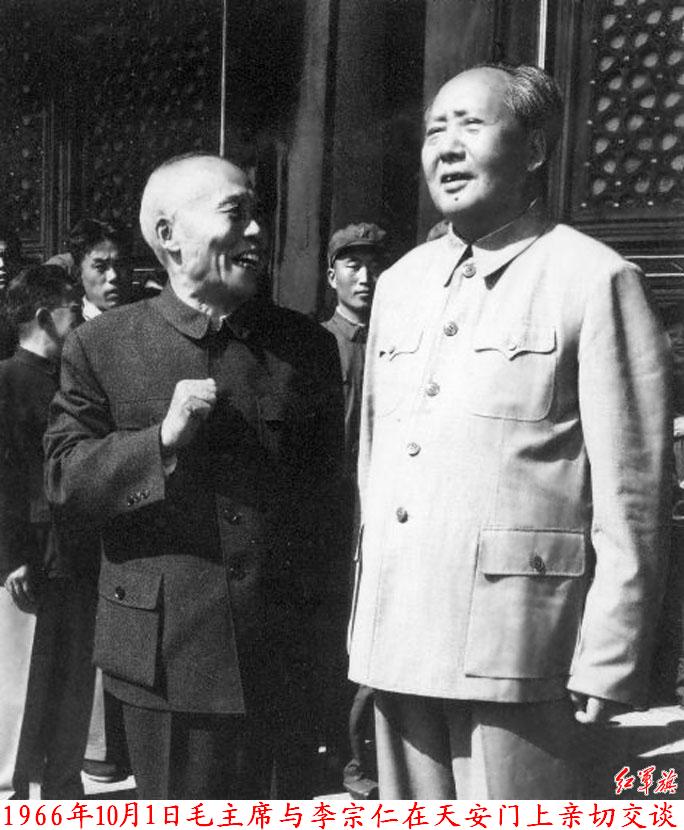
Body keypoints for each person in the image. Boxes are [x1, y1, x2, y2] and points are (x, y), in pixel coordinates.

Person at [347, 63, 671, 799]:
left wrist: (611, 653)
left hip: (523, 646)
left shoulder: (593, 279)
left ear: (534, 149)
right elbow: (376, 465)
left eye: (471, 125)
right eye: (435, 129)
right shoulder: (399, 285)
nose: (447, 147)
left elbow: (635, 493)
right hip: (399, 635)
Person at [44, 152, 345, 799]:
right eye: (236, 213)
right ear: (169, 235)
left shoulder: (307, 348)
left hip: (283, 656)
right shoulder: (102, 345)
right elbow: (65, 481)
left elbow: (331, 512)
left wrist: (329, 651)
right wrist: (159, 443)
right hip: (166, 662)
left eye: (258, 213)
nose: (257, 230)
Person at [0, 265, 88, 798]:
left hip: (72, 555)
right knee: (21, 686)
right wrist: (9, 556)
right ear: (43, 317)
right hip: (27, 559)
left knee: (71, 682)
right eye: (73, 310)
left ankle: (63, 788)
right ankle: (13, 794)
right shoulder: (7, 380)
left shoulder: (71, 382)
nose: (81, 318)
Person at [322, 222, 386, 796]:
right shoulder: (318, 344)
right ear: (332, 275)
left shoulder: (398, 344)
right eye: (353, 265)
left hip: (381, 508)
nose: (365, 276)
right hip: (328, 512)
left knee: (372, 627)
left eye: (374, 265)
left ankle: (360, 759)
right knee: (328, 629)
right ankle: (332, 748)